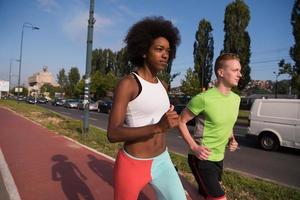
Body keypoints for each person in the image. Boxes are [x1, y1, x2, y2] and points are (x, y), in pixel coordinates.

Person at [107, 16, 186, 200]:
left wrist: (169, 118)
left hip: (162, 161)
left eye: (168, 50)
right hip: (133, 165)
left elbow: (158, 115)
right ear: (144, 51)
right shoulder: (128, 84)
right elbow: (113, 133)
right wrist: (158, 127)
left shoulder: (164, 85)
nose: (165, 55)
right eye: (159, 49)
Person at [178, 53, 242, 200]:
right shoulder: (203, 99)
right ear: (221, 72)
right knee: (219, 198)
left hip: (219, 158)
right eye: (235, 70)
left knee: (204, 195)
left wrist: (232, 139)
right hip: (201, 157)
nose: (240, 74)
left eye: (240, 70)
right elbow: (180, 121)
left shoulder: (236, 99)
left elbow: (228, 124)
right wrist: (194, 147)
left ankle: (179, 184)